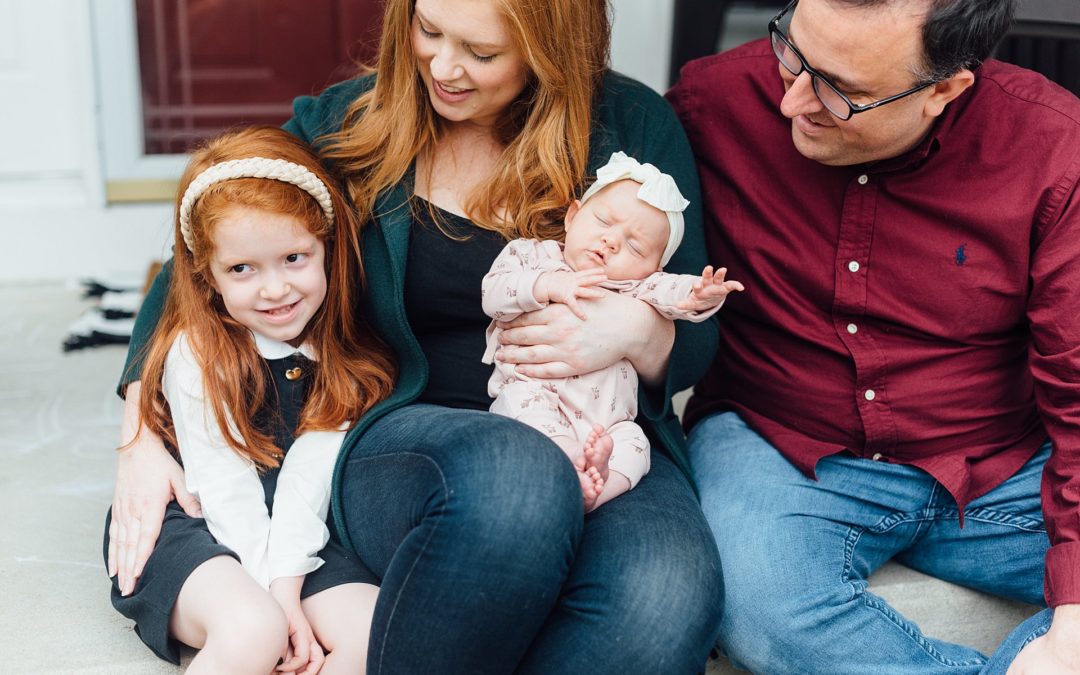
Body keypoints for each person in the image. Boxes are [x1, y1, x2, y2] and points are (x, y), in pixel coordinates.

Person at [108, 0, 725, 672]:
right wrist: (139, 435)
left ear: (551, 46)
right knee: (515, 482)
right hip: (399, 437)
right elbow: (194, 270)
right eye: (429, 30)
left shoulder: (630, 128)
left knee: (664, 604)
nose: (444, 65)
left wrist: (639, 330)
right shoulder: (350, 125)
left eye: (481, 52)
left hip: (593, 430)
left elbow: (697, 339)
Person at [667, 0, 1080, 672]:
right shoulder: (711, 103)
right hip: (783, 449)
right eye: (791, 54)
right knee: (754, 602)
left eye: (843, 90)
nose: (793, 99)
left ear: (945, 88)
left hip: (996, 471)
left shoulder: (1053, 146)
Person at [103, 126, 394, 673]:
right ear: (206, 276)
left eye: (294, 258)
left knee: (378, 628)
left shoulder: (348, 356)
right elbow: (222, 483)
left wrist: (287, 589)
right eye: (242, 269)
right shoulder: (197, 354)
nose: (275, 289)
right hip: (194, 524)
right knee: (254, 630)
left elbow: (309, 481)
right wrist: (274, 607)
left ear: (325, 248)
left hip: (301, 532)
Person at [482, 151, 743, 511]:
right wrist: (549, 285)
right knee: (519, 405)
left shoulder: (635, 286)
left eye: (635, 246)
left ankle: (597, 490)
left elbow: (674, 294)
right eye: (603, 221)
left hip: (607, 423)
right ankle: (571, 458)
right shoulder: (533, 258)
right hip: (537, 392)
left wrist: (700, 294)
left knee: (636, 444)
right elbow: (492, 293)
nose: (611, 242)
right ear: (573, 216)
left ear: (653, 267)